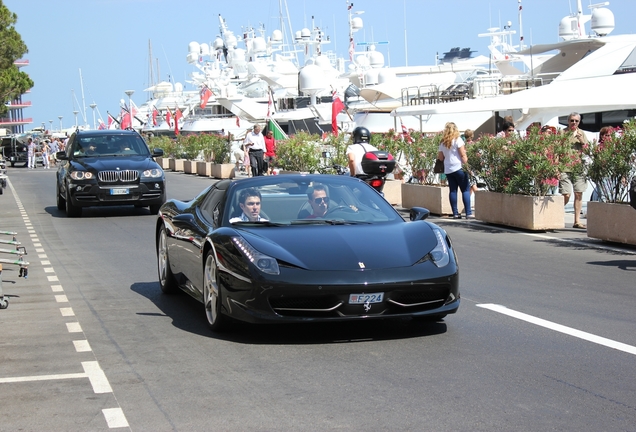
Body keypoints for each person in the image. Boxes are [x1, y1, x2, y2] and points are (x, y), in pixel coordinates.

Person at [559, 112, 589, 229]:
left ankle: (577, 221)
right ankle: (556, 212)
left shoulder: (582, 133)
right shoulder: (562, 133)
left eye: (576, 121)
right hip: (564, 167)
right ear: (568, 121)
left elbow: (587, 150)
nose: (574, 123)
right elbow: (557, 150)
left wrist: (582, 141)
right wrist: (557, 166)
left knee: (578, 193)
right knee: (566, 194)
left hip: (578, 167)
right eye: (572, 120)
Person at [437, 122, 473, 219]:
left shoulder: (442, 142)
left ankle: (455, 213)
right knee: (465, 189)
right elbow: (462, 155)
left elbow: (440, 158)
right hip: (459, 167)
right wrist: (467, 163)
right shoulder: (458, 140)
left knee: (453, 190)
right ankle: (468, 213)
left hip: (448, 169)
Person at [463, 129, 479, 196]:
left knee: (471, 185)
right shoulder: (473, 144)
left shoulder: (463, 145)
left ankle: (467, 204)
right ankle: (480, 199)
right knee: (473, 184)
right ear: (471, 136)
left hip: (466, 166)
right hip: (472, 166)